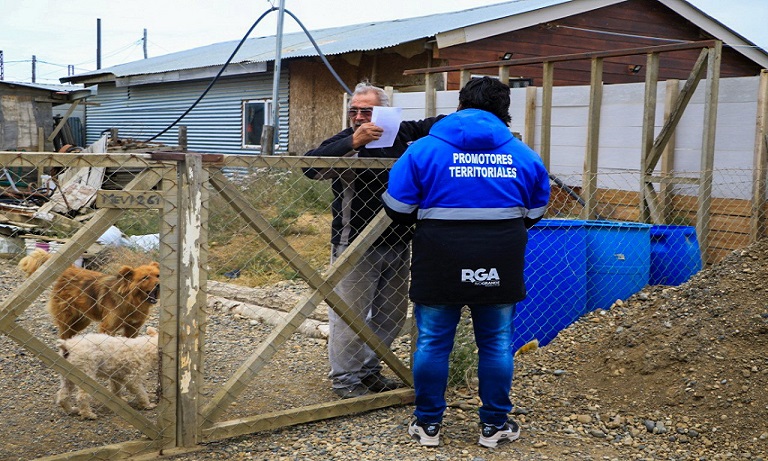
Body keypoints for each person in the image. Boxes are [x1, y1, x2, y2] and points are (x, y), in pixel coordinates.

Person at [381, 77, 551, 447]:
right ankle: (493, 426)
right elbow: (535, 211)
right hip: (500, 256)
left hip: (438, 255)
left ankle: (428, 425)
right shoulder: (523, 155)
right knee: (495, 344)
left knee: (432, 342)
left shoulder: (423, 149)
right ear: (504, 109)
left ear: (460, 104)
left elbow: (397, 207)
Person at [304, 82, 444, 399]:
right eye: (353, 110)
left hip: (398, 241)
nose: (358, 116)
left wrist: (473, 116)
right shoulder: (345, 139)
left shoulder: (404, 133)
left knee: (391, 316)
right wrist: (354, 142)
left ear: (383, 111)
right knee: (348, 318)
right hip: (354, 244)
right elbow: (309, 166)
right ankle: (345, 380)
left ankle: (368, 370)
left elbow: (437, 125)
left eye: (366, 110)